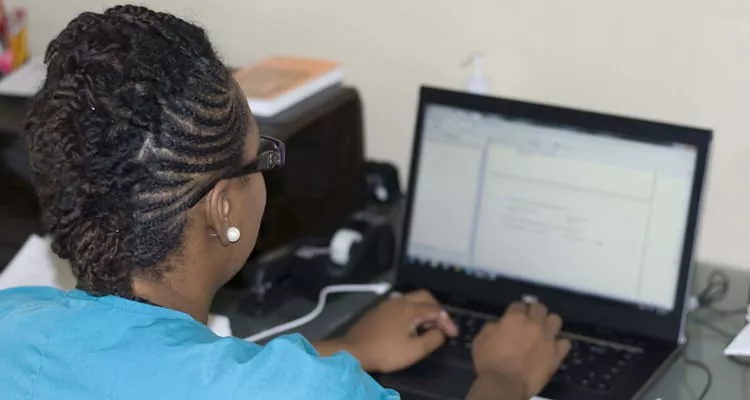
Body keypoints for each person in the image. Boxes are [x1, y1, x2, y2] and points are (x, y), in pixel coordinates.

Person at [0, 5, 570, 399]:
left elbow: (150, 364)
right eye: (260, 160)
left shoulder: (14, 322)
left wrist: (346, 348)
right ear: (223, 208)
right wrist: (505, 378)